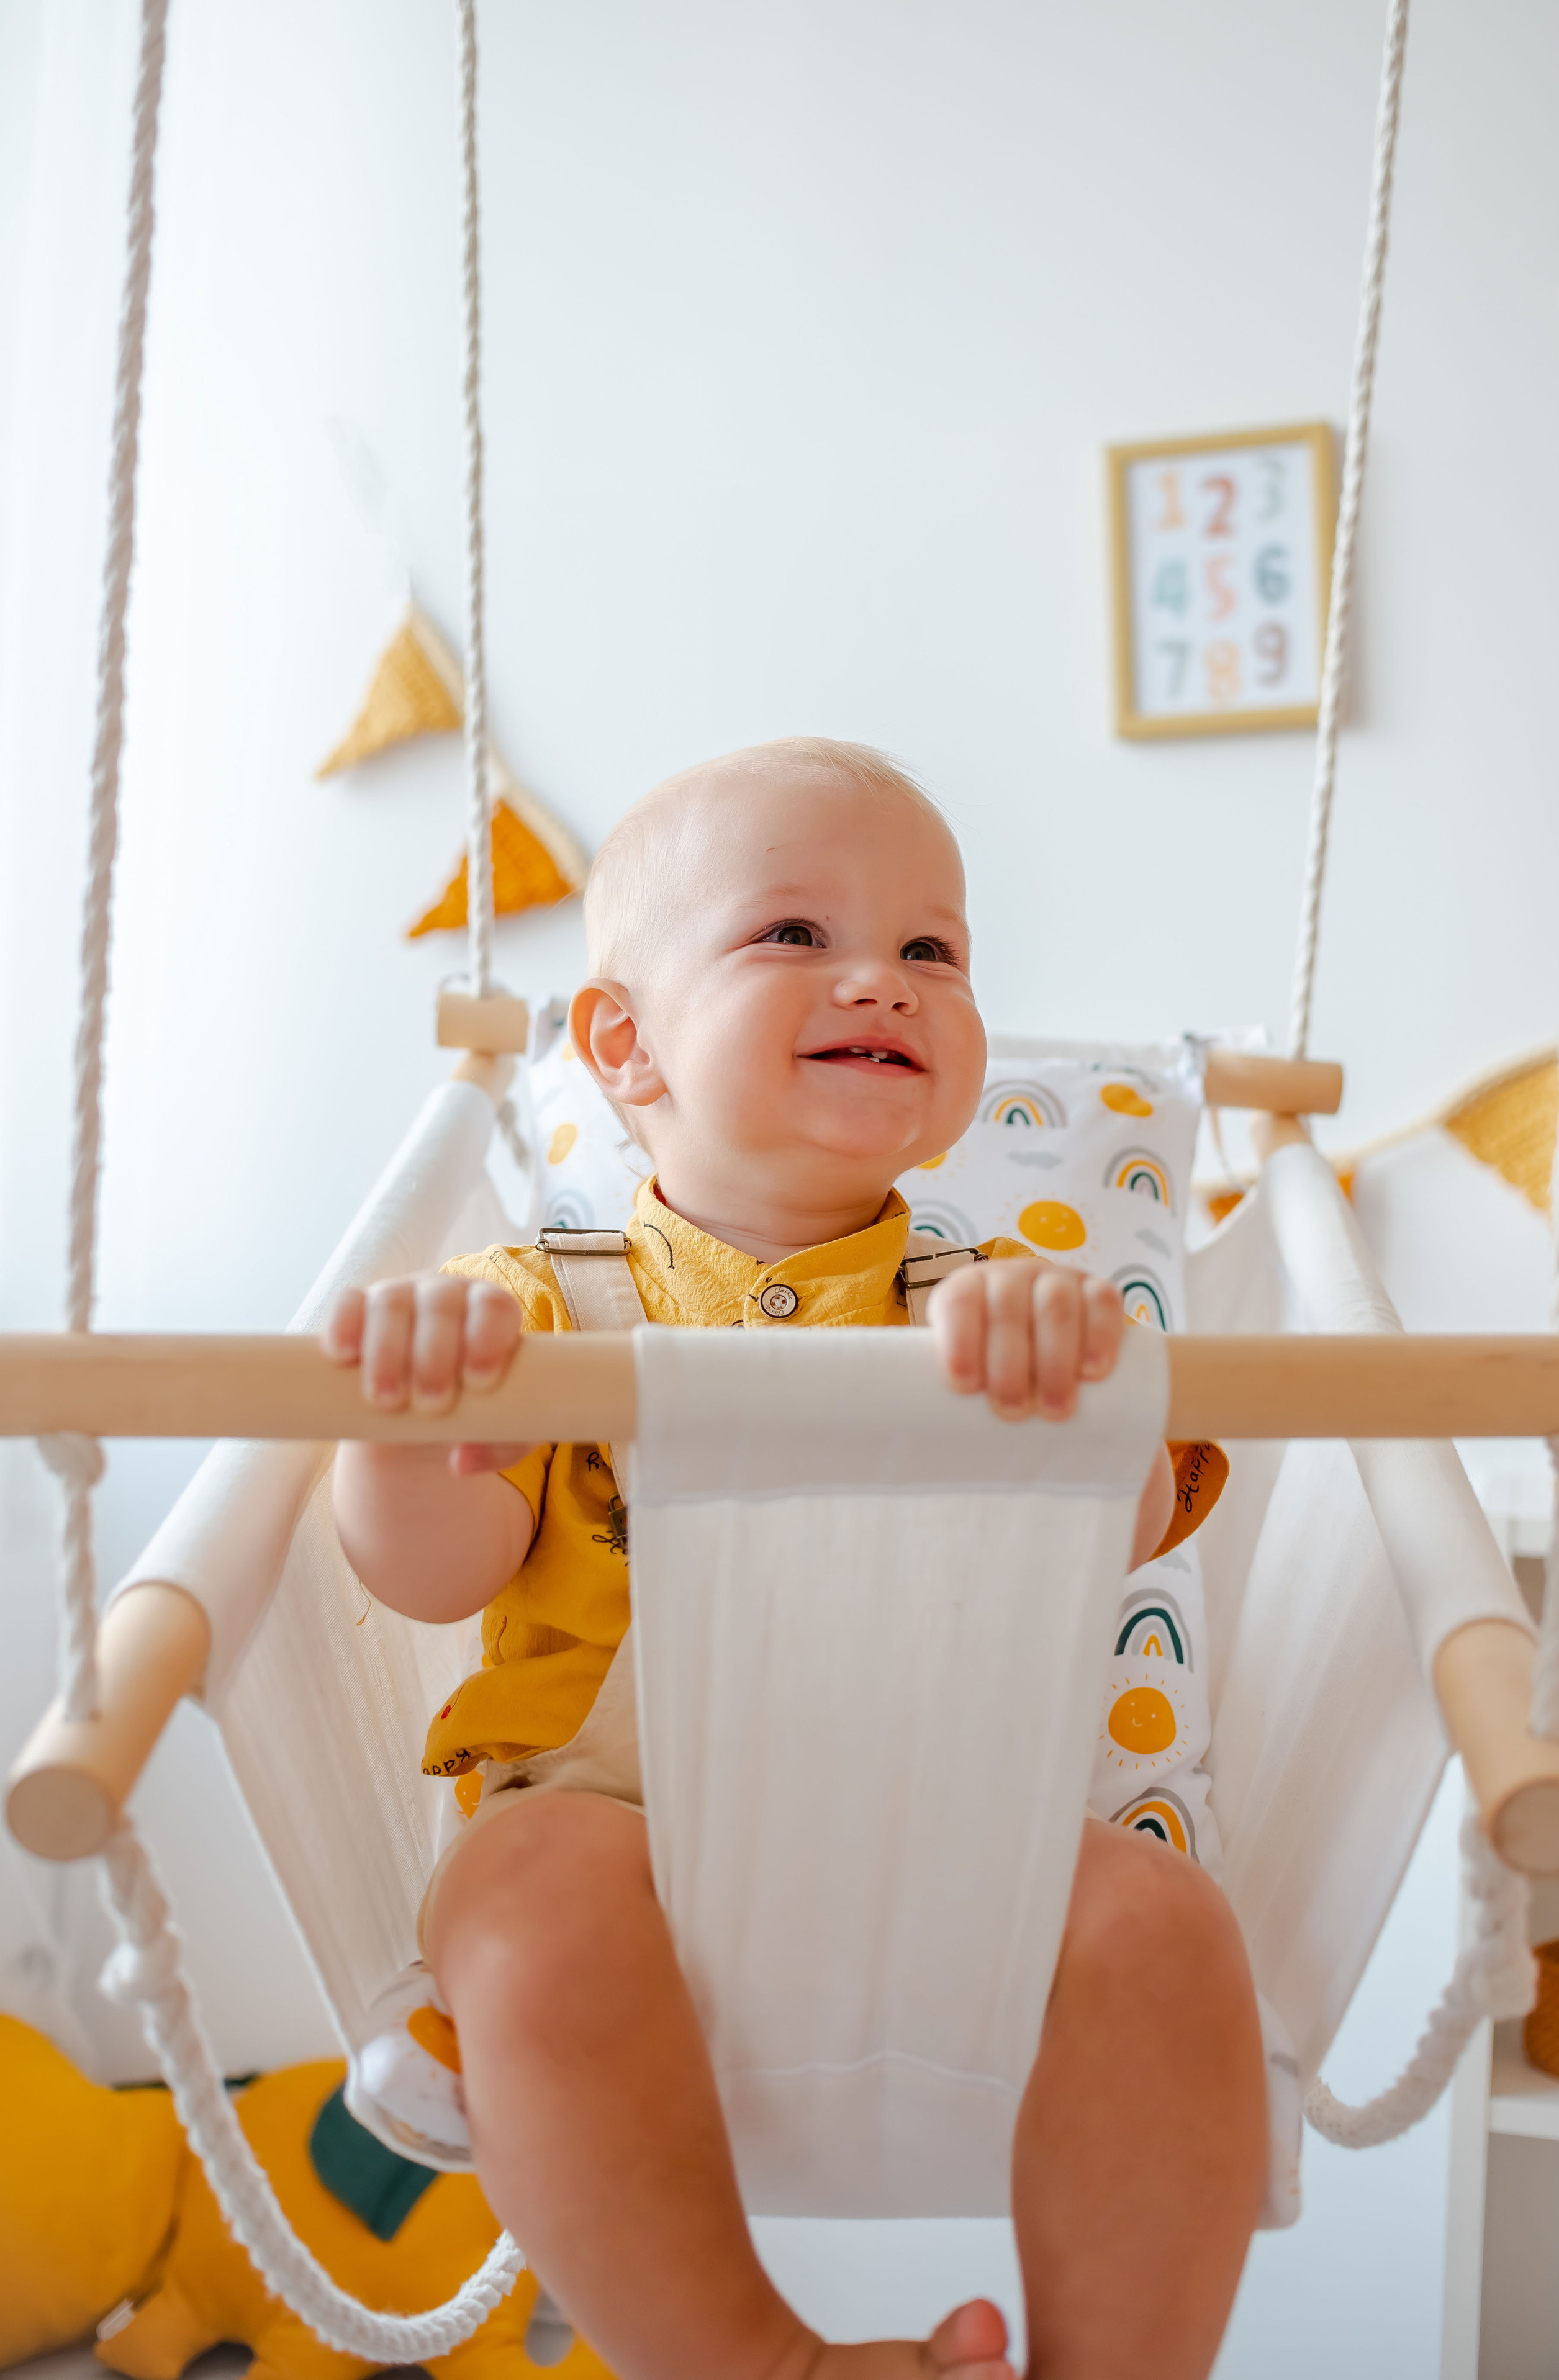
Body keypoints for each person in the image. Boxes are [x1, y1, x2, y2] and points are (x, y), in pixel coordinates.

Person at [323, 738, 1267, 2380]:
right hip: (611, 1830)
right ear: (624, 1045)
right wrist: (407, 1426)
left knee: (1170, 1928)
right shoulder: (538, 1305)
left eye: (932, 950)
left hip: (946, 1840)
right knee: (521, 1904)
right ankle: (764, 2360)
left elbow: (1118, 1543)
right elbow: (430, 1572)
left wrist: (1065, 1400)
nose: (881, 982)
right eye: (793, 935)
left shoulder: (1003, 1306)